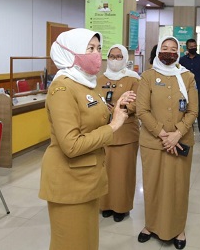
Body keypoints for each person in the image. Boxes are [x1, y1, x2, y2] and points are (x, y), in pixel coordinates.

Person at [39, 28, 136, 250]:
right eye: (89, 49)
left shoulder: (84, 82)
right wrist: (113, 126)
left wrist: (116, 110)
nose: (96, 54)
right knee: (71, 243)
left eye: (98, 48)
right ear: (70, 53)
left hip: (87, 177)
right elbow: (71, 145)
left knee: (87, 242)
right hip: (69, 181)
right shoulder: (63, 88)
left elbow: (91, 119)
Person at [136, 36, 198, 250]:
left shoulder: (188, 76)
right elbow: (141, 110)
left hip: (180, 142)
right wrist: (163, 134)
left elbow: (193, 110)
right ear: (158, 51)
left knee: (178, 187)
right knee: (152, 184)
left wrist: (177, 134)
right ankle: (150, 225)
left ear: (179, 53)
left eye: (173, 49)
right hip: (153, 142)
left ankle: (178, 228)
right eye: (165, 48)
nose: (169, 52)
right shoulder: (147, 76)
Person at [97, 44, 141, 222]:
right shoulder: (98, 80)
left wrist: (119, 109)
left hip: (125, 134)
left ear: (125, 59)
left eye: (118, 56)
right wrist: (102, 109)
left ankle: (121, 207)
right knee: (104, 173)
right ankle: (105, 204)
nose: (115, 60)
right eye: (112, 56)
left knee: (123, 174)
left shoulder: (133, 79)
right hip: (104, 133)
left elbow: (136, 103)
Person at [179, 38, 200, 146]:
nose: (193, 48)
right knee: (184, 112)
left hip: (199, 90)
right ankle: (185, 134)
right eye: (191, 46)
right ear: (187, 47)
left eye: (194, 46)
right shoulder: (182, 60)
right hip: (184, 91)